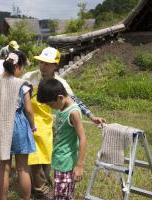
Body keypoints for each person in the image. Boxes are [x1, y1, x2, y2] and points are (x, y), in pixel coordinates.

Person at [22, 47, 106, 199]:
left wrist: (91, 116)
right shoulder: (30, 77)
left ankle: (48, 182)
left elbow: (74, 101)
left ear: (56, 65)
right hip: (32, 121)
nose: (42, 67)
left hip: (50, 122)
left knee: (49, 155)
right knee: (35, 156)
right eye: (41, 62)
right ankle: (41, 188)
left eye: (47, 64)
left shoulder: (60, 83)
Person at [0, 51, 36, 200]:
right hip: (18, 124)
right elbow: (28, 110)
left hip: (2, 124)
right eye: (22, 67)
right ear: (16, 66)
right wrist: (33, 126)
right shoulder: (21, 85)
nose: (22, 71)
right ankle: (27, 198)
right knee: (22, 168)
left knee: (4, 167)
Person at [37, 78, 86, 199]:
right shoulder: (62, 108)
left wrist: (79, 165)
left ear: (60, 97)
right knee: (62, 195)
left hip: (66, 163)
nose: (52, 107)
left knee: (61, 196)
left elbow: (83, 138)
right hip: (60, 160)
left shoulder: (73, 112)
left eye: (51, 104)